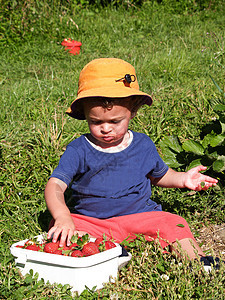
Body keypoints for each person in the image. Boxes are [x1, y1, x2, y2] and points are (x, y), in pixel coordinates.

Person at [45, 58, 220, 269]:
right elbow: (55, 184)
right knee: (61, 226)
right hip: (93, 221)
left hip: (140, 216)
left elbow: (159, 175)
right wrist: (63, 216)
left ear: (133, 112)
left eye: (115, 121)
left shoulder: (143, 145)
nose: (106, 128)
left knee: (173, 222)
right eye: (96, 122)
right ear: (85, 115)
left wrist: (183, 178)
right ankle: (107, 251)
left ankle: (198, 260)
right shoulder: (79, 149)